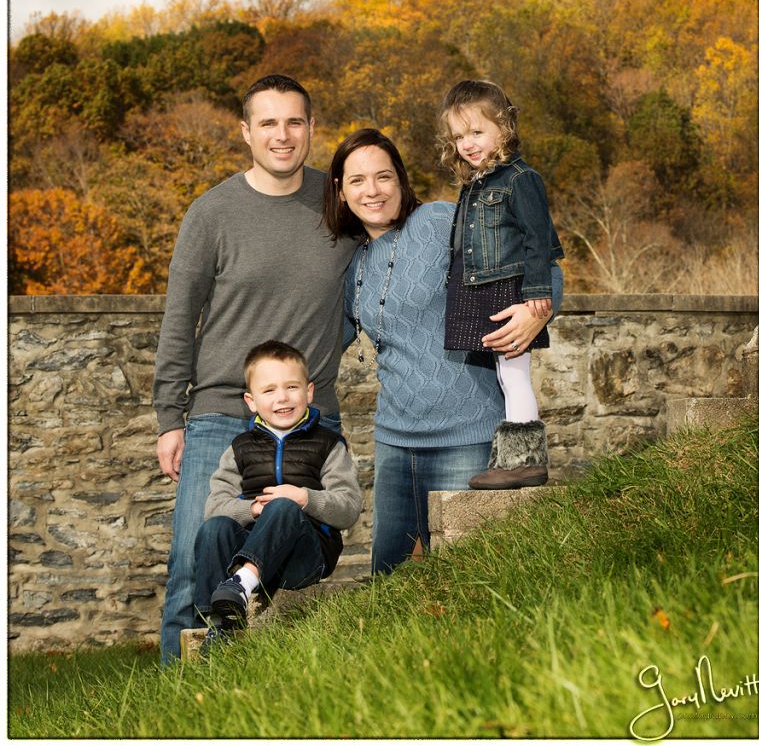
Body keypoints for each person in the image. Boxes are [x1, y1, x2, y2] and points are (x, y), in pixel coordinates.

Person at [153, 74, 358, 662]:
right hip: (222, 414)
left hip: (312, 423)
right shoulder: (211, 213)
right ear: (245, 132)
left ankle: (261, 700)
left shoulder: (339, 204)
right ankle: (176, 709)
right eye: (267, 122)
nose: (282, 134)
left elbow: (375, 284)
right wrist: (171, 417)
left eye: (295, 121)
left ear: (312, 129)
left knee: (295, 573)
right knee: (194, 566)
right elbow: (179, 319)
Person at [323, 128, 561, 574]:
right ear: (340, 191)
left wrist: (537, 312)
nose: (372, 191)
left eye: (384, 177)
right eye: (357, 181)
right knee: (390, 583)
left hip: (467, 436)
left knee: (467, 578)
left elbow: (537, 260)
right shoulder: (352, 264)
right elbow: (323, 343)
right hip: (395, 444)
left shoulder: (438, 222)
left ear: (401, 181)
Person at [437, 78, 565, 490]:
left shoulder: (519, 179)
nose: (468, 143)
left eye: (477, 131)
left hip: (510, 292)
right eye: (459, 136)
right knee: (503, 374)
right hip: (485, 290)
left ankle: (525, 461)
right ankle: (510, 459)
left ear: (504, 128)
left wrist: (537, 298)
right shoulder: (476, 183)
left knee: (514, 374)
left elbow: (537, 241)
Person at [193, 340, 362, 648]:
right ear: (251, 401)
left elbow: (349, 508)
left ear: (309, 392)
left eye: (292, 387)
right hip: (253, 548)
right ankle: (217, 624)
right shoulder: (240, 448)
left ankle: (243, 583)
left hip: (304, 559)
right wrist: (254, 510)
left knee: (284, 504)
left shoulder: (328, 444)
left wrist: (304, 498)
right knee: (214, 527)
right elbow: (213, 507)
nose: (282, 397)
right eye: (269, 390)